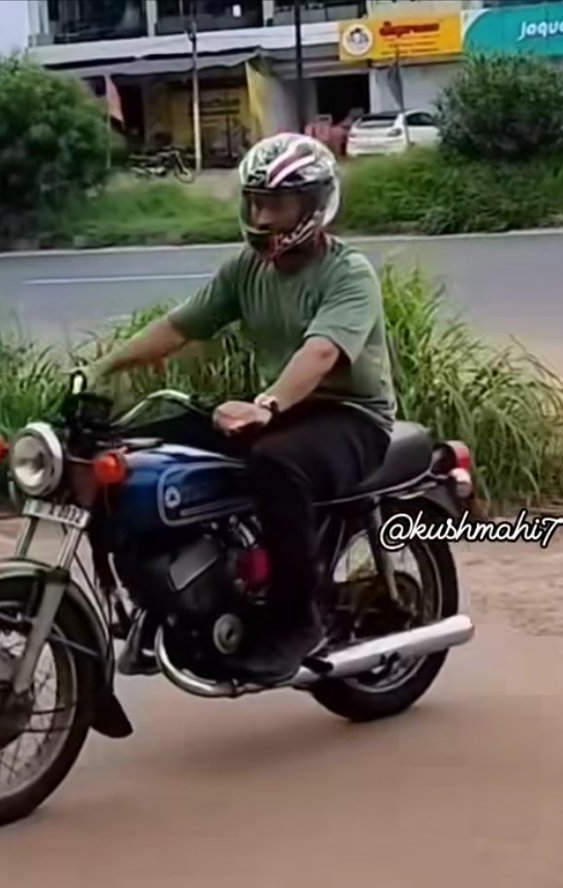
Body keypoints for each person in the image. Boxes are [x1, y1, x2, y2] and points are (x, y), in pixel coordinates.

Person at [89, 132, 397, 684]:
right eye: (256, 201)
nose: (262, 214)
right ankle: (167, 599)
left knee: (275, 464)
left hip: (350, 417)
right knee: (145, 449)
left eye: (276, 204)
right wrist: (105, 367)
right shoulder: (247, 269)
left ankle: (297, 618)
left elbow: (322, 351)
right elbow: (180, 325)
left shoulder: (349, 273)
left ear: (313, 205)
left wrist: (268, 403)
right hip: (279, 409)